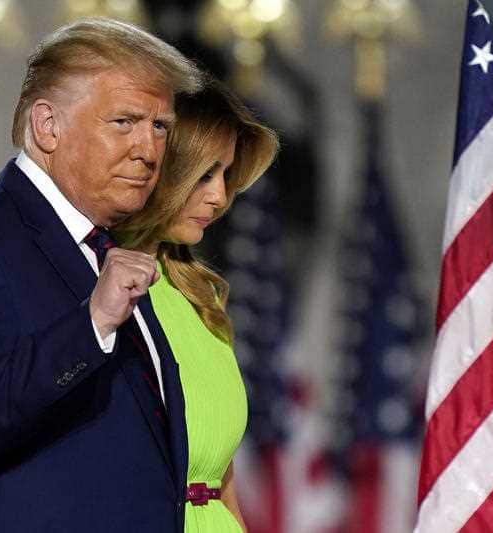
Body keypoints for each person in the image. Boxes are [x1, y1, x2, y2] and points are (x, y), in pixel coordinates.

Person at [0, 18, 201, 533]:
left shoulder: (105, 251)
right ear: (47, 126)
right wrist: (90, 325)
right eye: (124, 121)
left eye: (160, 126)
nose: (149, 149)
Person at [114, 76, 279, 531]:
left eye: (225, 175)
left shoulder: (199, 297)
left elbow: (222, 481)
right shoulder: (96, 289)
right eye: (205, 173)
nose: (220, 197)